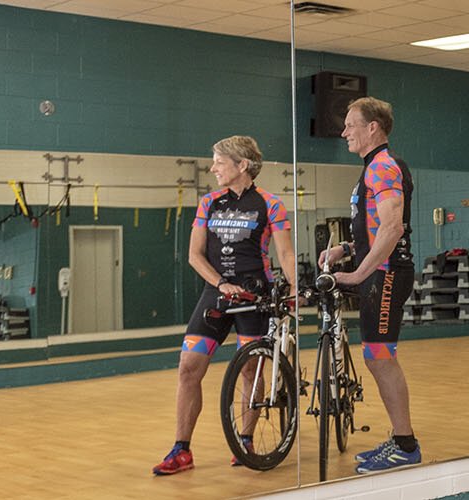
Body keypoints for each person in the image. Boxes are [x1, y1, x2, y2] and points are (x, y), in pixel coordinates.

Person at [154, 135, 295, 475]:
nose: (213, 167)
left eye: (219, 161)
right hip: (217, 293)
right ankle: (181, 449)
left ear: (242, 165)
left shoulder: (270, 204)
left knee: (249, 369)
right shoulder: (209, 203)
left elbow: (286, 253)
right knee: (188, 367)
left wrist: (294, 290)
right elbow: (194, 255)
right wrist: (220, 283)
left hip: (255, 295)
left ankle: (244, 439)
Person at [316, 96, 420, 474]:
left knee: (379, 357)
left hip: (386, 273)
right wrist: (345, 249)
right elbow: (374, 231)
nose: (344, 132)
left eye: (350, 125)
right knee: (376, 357)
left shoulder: (383, 168)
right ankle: (401, 438)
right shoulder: (373, 169)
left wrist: (359, 274)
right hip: (379, 271)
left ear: (372, 127)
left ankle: (406, 445)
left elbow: (392, 229)